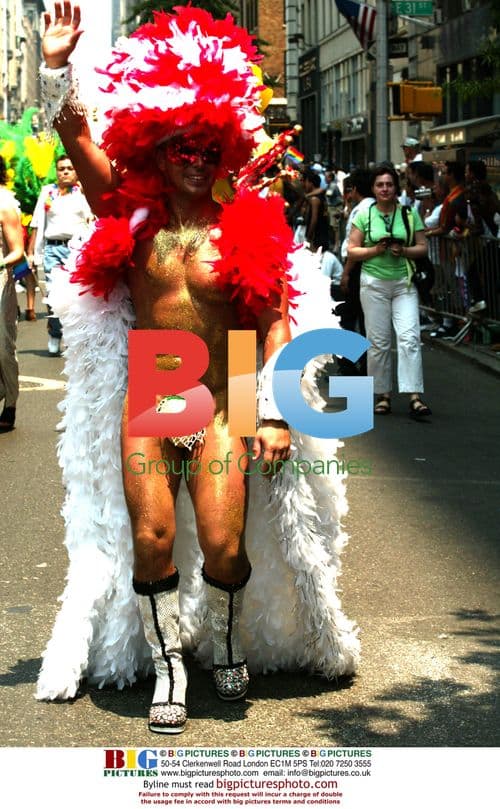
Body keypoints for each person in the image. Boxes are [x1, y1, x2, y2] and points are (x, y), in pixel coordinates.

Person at [35, 3, 359, 734]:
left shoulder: (249, 225)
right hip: (156, 385)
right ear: (157, 147)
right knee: (151, 537)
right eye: (179, 144)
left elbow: (274, 323)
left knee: (224, 544)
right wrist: (56, 66)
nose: (192, 156)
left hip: (224, 390)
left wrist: (272, 413)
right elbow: (78, 135)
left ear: (224, 151)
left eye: (205, 146)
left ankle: (227, 636)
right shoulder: (128, 210)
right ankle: (171, 661)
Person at [348, 164, 431, 418]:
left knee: (409, 338)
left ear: (396, 188)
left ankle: (414, 395)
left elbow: (422, 247)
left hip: (403, 284)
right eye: (380, 185)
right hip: (373, 284)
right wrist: (375, 251)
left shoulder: (408, 214)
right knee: (379, 343)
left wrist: (403, 251)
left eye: (389, 184)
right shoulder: (364, 215)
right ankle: (382, 395)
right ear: (373, 189)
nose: (385, 189)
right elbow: (352, 249)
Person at [27, 154, 91, 355]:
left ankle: (75, 339)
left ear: (76, 171)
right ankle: (55, 334)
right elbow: (37, 222)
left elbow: (93, 219)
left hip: (76, 250)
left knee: (77, 298)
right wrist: (31, 252)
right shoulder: (48, 192)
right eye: (61, 168)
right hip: (52, 250)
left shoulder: (83, 192)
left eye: (69, 168)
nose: (64, 172)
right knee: (54, 296)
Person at [0, 157, 25, 433]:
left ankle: (11, 403)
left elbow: (17, 250)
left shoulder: (4, 204)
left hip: (0, 276)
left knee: (3, 347)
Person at [301, 168, 330, 251]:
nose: (304, 185)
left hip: (317, 235)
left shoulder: (314, 199)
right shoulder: (319, 195)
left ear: (311, 183)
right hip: (323, 232)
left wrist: (309, 236)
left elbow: (314, 219)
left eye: (306, 182)